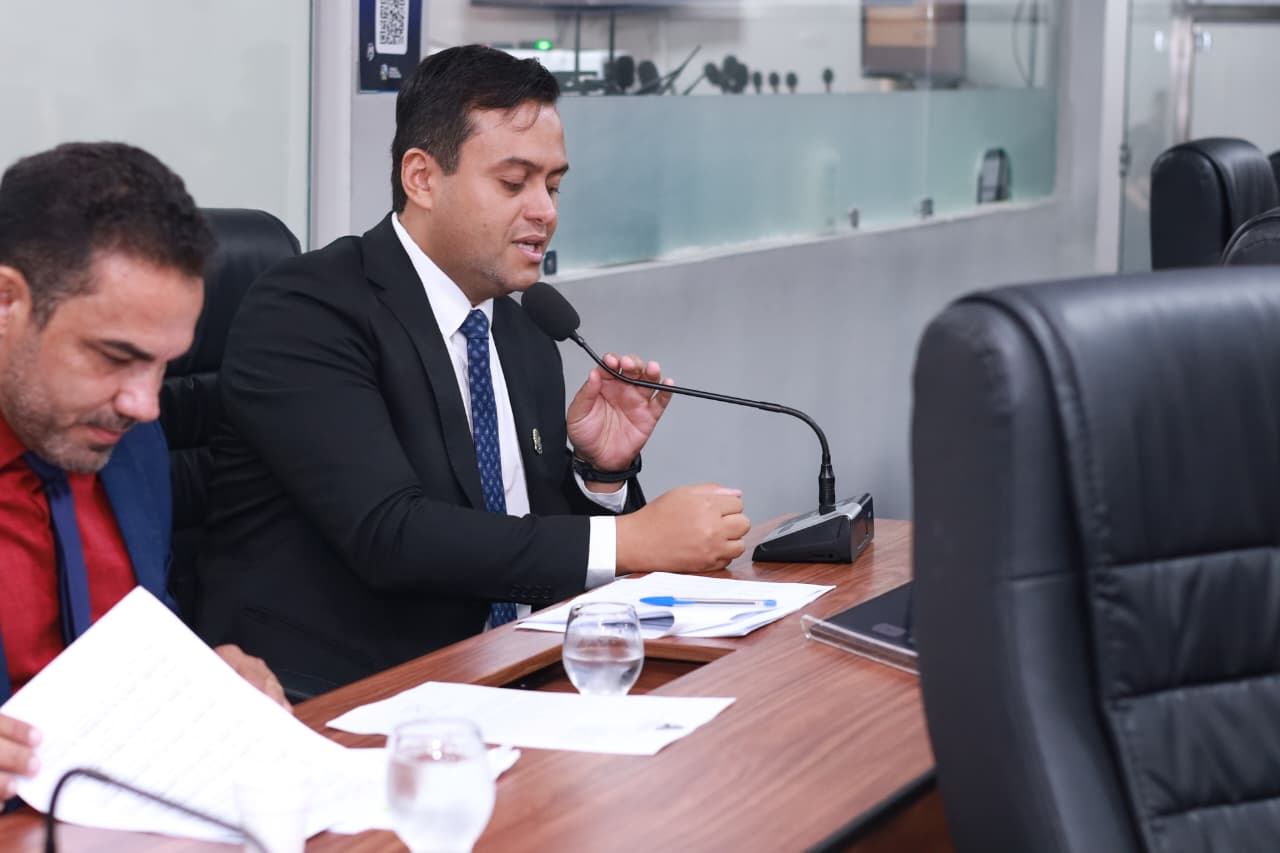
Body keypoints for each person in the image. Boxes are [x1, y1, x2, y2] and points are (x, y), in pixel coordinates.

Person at [196, 45, 751, 698]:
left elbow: (528, 543)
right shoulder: (307, 309)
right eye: (515, 183)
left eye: (554, 185)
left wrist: (599, 477)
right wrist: (629, 538)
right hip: (345, 694)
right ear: (422, 178)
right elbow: (390, 534)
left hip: (513, 673)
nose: (545, 211)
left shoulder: (523, 331)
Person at [0, 142, 289, 801]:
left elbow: (134, 636)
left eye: (164, 365)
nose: (146, 404)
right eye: (115, 357)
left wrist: (198, 683)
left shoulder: (125, 441)